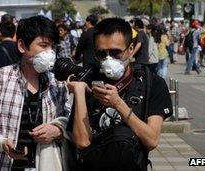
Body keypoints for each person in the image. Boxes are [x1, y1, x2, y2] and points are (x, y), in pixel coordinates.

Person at [0, 16, 70, 171]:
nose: (50, 53)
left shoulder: (58, 83)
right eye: (43, 45)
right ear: (22, 46)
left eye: (52, 47)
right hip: (3, 165)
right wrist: (0, 143)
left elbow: (69, 118)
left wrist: (58, 129)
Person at [67, 17, 173, 171]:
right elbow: (82, 142)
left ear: (130, 49)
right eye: (102, 54)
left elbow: (151, 140)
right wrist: (79, 91)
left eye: (115, 52)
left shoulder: (152, 83)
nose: (108, 59)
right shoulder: (89, 82)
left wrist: (118, 104)